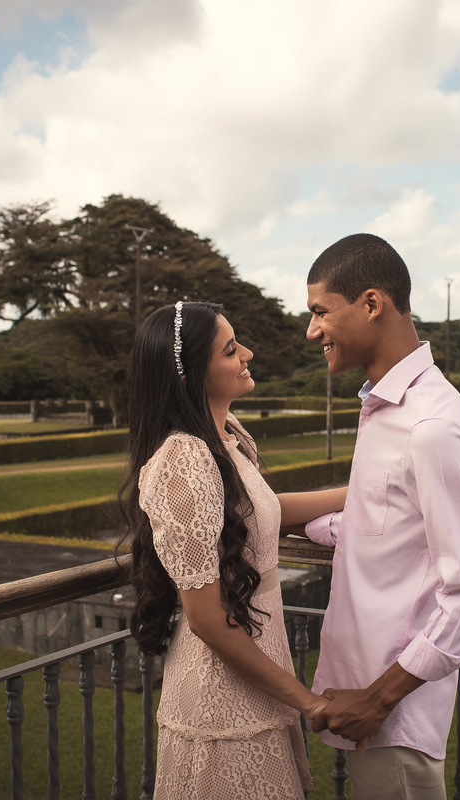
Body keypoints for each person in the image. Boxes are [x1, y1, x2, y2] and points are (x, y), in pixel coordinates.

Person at [118, 300, 347, 799]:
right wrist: (308, 702)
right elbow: (205, 618)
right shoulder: (183, 459)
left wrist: (364, 492)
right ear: (192, 376)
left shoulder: (227, 436)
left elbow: (259, 509)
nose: (247, 352)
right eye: (229, 349)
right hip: (219, 693)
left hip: (259, 666)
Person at [304, 234, 460, 799]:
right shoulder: (388, 409)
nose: (312, 330)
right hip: (367, 700)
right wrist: (283, 520)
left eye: (321, 311)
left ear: (371, 304)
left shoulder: (429, 426)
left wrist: (378, 697)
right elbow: (382, 528)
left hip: (391, 714)